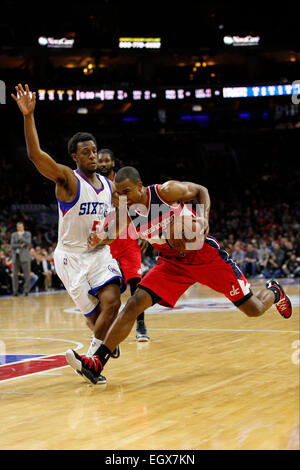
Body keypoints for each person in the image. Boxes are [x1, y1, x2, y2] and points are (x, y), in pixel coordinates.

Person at [65, 167, 293, 385]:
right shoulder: (126, 213)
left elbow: (201, 190)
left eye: (127, 191)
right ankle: (97, 362)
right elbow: (110, 235)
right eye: (119, 193)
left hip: (203, 255)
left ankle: (274, 291)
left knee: (254, 309)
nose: (123, 197)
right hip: (172, 263)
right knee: (134, 304)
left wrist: (203, 219)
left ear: (140, 187)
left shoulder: (165, 192)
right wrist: (99, 238)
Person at [12, 83, 125, 384]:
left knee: (113, 302)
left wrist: (107, 238)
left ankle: (92, 360)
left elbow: (118, 225)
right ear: (74, 157)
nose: (92, 155)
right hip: (70, 258)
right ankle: (99, 347)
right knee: (96, 320)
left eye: (94, 151)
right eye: (85, 152)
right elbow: (36, 155)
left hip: (99, 254)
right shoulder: (67, 180)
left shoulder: (109, 186)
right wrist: (28, 115)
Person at [98, 148, 150, 341]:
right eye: (100, 161)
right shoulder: (93, 185)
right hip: (107, 238)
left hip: (128, 237)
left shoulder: (123, 184)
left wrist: (144, 231)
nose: (103, 164)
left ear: (113, 163)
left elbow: (140, 204)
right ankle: (104, 330)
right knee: (102, 286)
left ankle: (141, 326)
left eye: (106, 161)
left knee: (136, 285)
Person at [10, 221, 32, 296]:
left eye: (20, 227)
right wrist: (21, 245)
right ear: (16, 227)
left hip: (25, 257)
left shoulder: (27, 234)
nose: (19, 228)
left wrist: (21, 237)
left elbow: (28, 242)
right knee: (15, 275)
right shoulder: (13, 234)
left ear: (23, 227)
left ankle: (26, 291)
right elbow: (12, 245)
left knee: (26, 275)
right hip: (15, 257)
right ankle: (15, 292)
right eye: (18, 227)